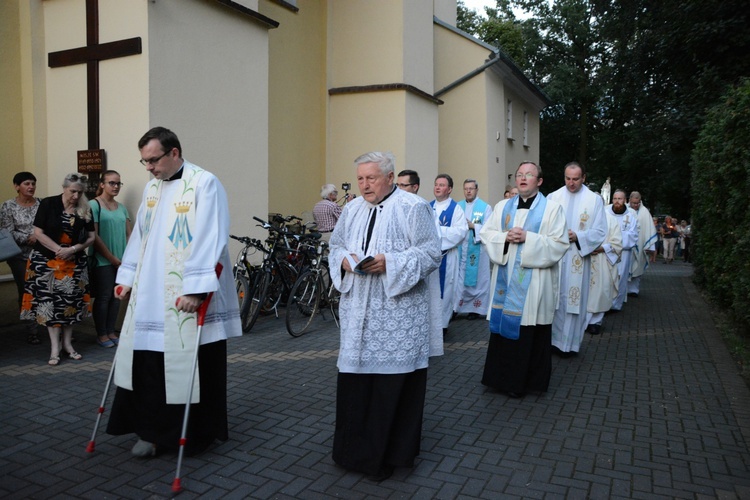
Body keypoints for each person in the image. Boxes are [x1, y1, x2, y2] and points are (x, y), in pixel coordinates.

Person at [106, 126, 242, 457]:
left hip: (187, 294)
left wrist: (196, 289)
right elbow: (141, 236)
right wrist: (127, 275)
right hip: (151, 295)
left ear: (174, 153)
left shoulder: (204, 183)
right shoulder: (153, 189)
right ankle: (150, 432)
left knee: (192, 363)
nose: (149, 168)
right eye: (144, 162)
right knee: (148, 363)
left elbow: (212, 236)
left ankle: (194, 434)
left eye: (153, 160)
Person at [329, 151, 442, 481]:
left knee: (389, 390)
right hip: (358, 312)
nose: (365, 184)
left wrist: (390, 262)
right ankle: (351, 453)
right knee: (356, 387)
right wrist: (345, 261)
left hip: (397, 316)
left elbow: (431, 252)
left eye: (371, 178)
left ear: (390, 178)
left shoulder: (413, 207)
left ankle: (388, 458)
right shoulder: (351, 209)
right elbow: (335, 246)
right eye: (361, 178)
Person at [479, 162, 568, 397]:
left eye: (529, 175)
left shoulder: (552, 209)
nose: (523, 178)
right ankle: (500, 380)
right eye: (519, 174)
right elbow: (486, 235)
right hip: (506, 282)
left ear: (539, 181)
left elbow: (559, 244)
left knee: (531, 330)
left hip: (536, 285)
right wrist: (504, 237)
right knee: (504, 332)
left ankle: (529, 383)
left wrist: (529, 238)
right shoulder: (501, 208)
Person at [21, 173, 95, 365]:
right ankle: (55, 348)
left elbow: (91, 237)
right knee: (50, 304)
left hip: (73, 263)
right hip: (46, 262)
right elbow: (38, 233)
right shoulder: (48, 204)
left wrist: (73, 249)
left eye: (80, 192)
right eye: (73, 192)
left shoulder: (85, 208)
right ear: (64, 188)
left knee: (69, 304)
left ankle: (68, 345)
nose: (76, 196)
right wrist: (59, 250)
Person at [547, 162, 607, 356]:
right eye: (567, 178)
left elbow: (600, 231)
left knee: (573, 301)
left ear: (584, 178)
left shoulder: (594, 200)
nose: (571, 183)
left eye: (575, 179)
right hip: (556, 257)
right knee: (554, 299)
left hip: (577, 257)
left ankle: (569, 345)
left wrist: (578, 237)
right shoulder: (553, 197)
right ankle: (551, 342)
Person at [89, 171, 132, 347]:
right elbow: (94, 236)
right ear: (102, 184)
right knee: (104, 296)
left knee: (116, 297)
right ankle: (102, 333)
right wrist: (111, 258)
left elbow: (130, 235)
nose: (115, 187)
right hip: (103, 260)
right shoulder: (93, 205)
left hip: (122, 261)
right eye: (111, 183)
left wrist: (128, 259)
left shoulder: (121, 207)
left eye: (118, 184)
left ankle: (112, 330)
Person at [0, 172, 41, 344]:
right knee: (26, 292)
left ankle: (52, 325)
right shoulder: (8, 206)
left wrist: (38, 237)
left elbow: (48, 224)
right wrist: (29, 238)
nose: (30, 187)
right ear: (17, 186)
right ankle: (31, 330)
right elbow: (7, 231)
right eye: (26, 183)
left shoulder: (41, 203)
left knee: (46, 291)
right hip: (19, 256)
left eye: (33, 183)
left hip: (41, 254)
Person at [430, 174, 468, 335]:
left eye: (442, 185)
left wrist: (436, 233)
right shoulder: (427, 206)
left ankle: (442, 325)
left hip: (447, 257)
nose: (437, 187)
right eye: (436, 184)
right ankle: (429, 324)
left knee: (445, 290)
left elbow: (460, 232)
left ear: (450, 189)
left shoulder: (456, 208)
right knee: (430, 291)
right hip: (430, 258)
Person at [455, 179, 492, 320]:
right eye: (466, 188)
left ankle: (475, 309)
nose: (468, 191)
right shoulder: (458, 206)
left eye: (471, 188)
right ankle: (456, 308)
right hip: (461, 248)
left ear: (477, 190)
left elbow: (489, 229)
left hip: (477, 250)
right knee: (459, 279)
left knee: (478, 280)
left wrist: (473, 226)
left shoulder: (485, 208)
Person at [585, 206, 622, 335]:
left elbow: (617, 242)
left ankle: (595, 322)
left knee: (601, 291)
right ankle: (581, 323)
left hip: (602, 260)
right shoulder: (583, 216)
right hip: (583, 259)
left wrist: (602, 248)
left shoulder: (611, 220)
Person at [607, 189, 638, 311]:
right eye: (615, 199)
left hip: (623, 253)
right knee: (608, 277)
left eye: (620, 199)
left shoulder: (630, 217)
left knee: (620, 278)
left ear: (625, 200)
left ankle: (615, 305)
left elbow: (633, 236)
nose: (617, 201)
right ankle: (606, 303)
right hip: (608, 251)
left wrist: (616, 239)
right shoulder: (606, 213)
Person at [627, 192, 657, 297]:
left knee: (638, 266)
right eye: (633, 203)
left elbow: (649, 229)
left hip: (639, 244)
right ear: (629, 200)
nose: (635, 205)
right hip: (626, 245)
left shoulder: (644, 212)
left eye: (637, 203)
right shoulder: (624, 210)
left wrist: (650, 247)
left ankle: (633, 290)